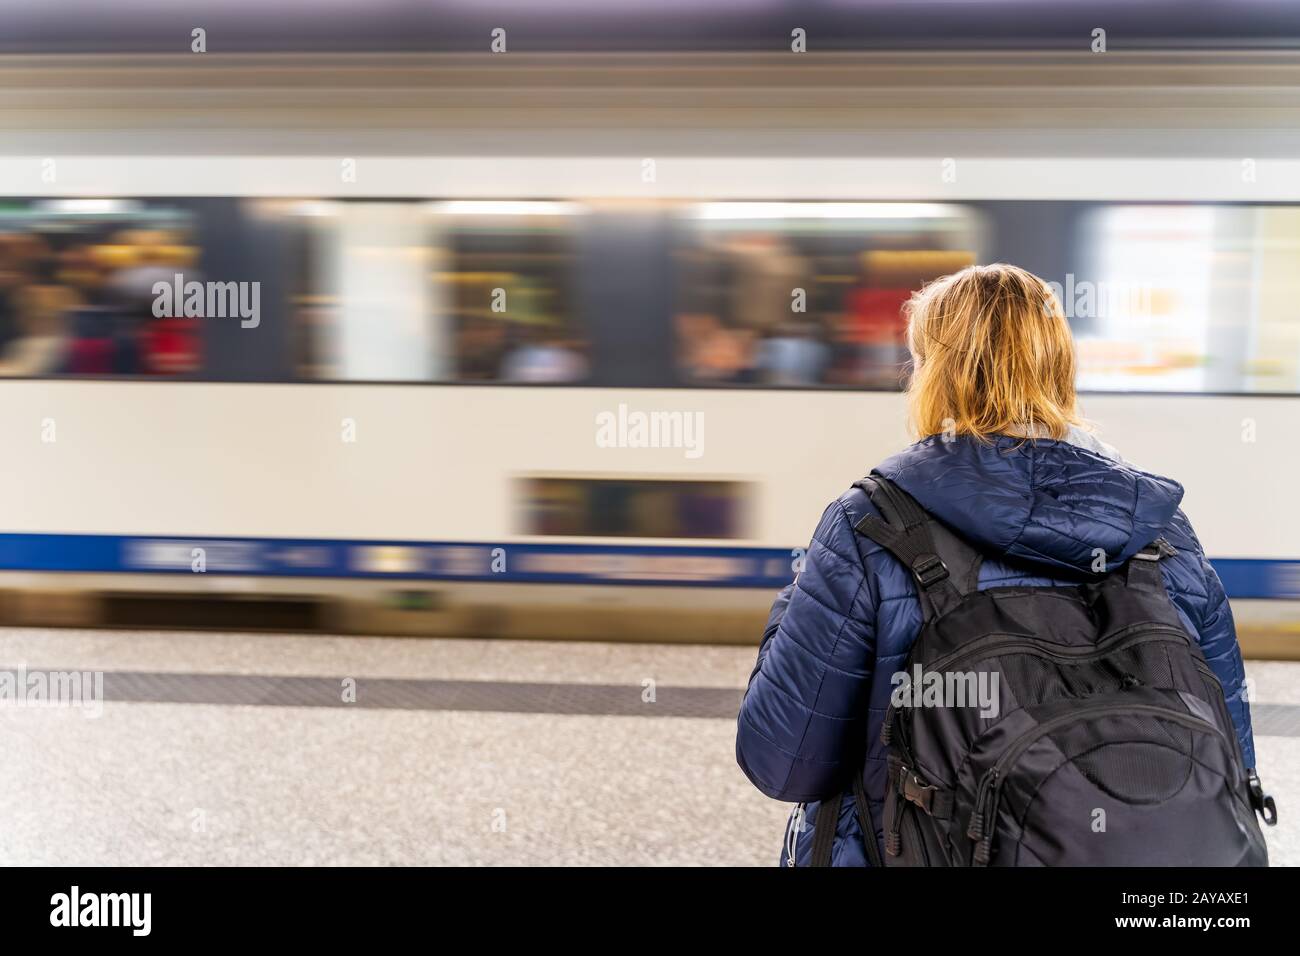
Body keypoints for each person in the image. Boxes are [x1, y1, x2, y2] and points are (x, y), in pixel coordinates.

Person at [735, 263, 1258, 866]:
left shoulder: (872, 526)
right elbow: (1233, 758)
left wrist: (793, 602)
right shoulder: (1164, 535)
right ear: (1059, 367)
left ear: (936, 373)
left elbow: (782, 760)